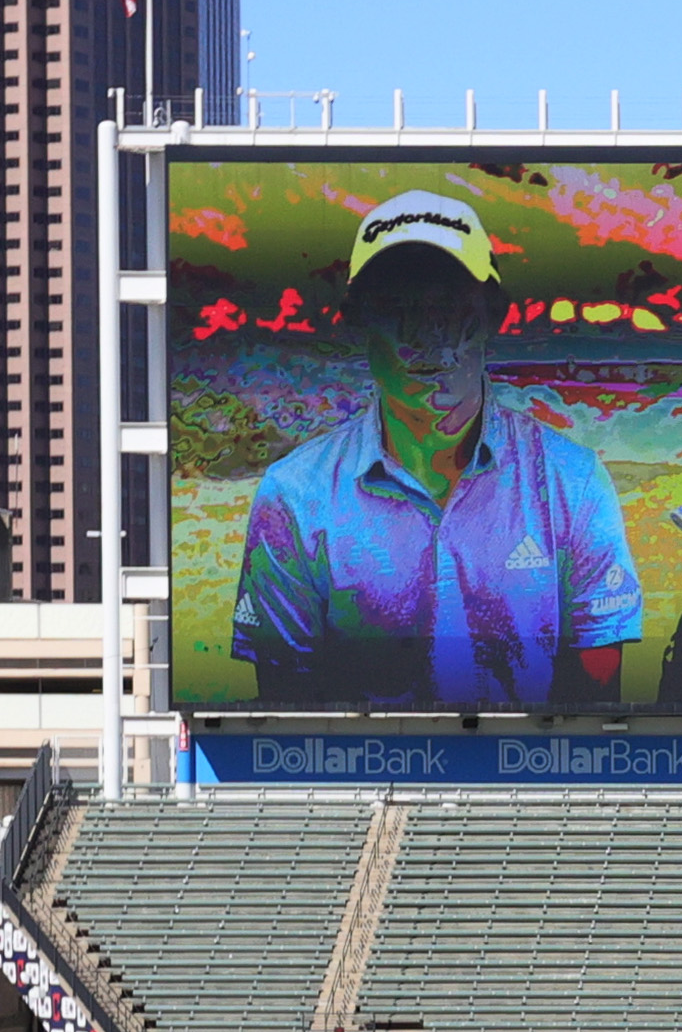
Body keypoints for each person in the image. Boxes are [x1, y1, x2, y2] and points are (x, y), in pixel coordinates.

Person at [231, 187, 642, 704]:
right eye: (393, 306)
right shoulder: (293, 496)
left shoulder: (573, 482)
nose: (425, 334)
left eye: (448, 304)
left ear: (495, 314)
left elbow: (600, 701)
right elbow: (284, 710)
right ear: (355, 320)